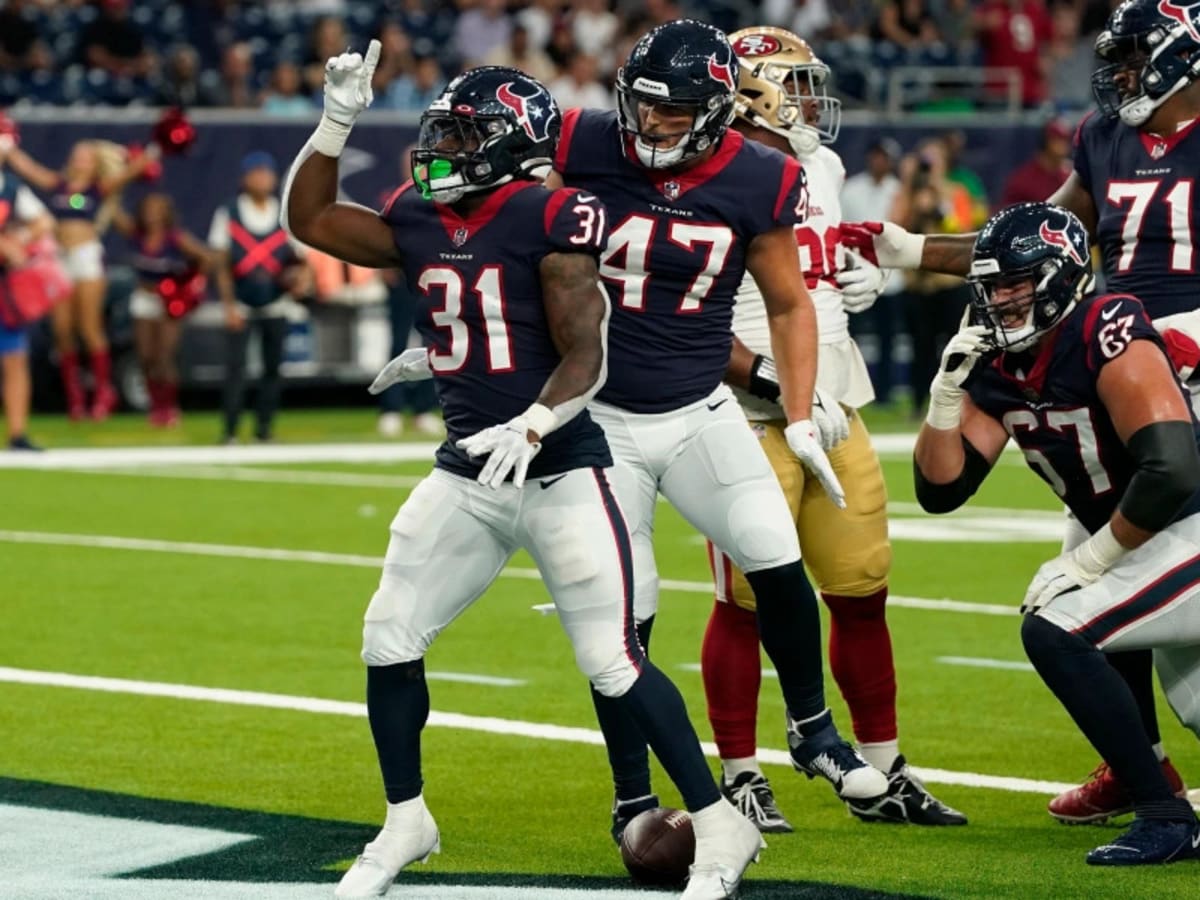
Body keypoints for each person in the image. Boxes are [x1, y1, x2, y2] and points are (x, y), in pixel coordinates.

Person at [281, 47, 764, 900]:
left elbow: (587, 347)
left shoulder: (554, 214)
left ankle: (721, 823)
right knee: (388, 634)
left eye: (463, 134)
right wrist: (334, 121)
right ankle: (406, 820)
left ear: (512, 145)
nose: (441, 149)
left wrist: (536, 418)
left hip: (559, 471)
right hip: (469, 469)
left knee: (612, 661)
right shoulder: (424, 214)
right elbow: (313, 222)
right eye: (442, 130)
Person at [841, 0, 1200, 823]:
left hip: (1181, 358)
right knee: (1096, 545)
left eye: (1139, 57)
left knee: (1124, 555)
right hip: (1117, 360)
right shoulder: (1105, 140)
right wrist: (911, 255)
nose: (1122, 75)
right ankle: (1136, 764)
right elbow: (1038, 243)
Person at [544, 18, 888, 840]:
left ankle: (813, 732)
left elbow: (787, 304)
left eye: (673, 111)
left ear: (717, 108)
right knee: (624, 614)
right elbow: (480, 206)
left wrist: (799, 413)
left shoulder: (760, 175)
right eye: (643, 106)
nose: (651, 124)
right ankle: (633, 795)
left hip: (701, 409)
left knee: (775, 555)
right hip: (605, 418)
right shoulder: (583, 141)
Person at [696, 24, 966, 833]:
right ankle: (740, 774)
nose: (813, 99)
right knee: (745, 601)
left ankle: (883, 769)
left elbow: (821, 264)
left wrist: (860, 277)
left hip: (835, 401)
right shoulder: (707, 172)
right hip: (745, 413)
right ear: (750, 87)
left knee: (862, 590)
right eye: (797, 82)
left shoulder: (823, 163)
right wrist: (769, 376)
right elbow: (687, 310)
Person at [912, 201, 1200, 865]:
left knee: (1058, 626)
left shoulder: (1107, 325)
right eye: (992, 286)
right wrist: (945, 396)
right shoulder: (994, 363)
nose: (1001, 300)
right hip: (1151, 537)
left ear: (1062, 274)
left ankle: (1163, 812)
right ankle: (1146, 785)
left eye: (1016, 283)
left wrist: (1096, 559)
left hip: (1185, 520)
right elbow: (941, 490)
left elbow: (1173, 469)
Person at [1, 138, 152, 420]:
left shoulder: (99, 189)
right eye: (78, 155)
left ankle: (103, 392)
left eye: (87, 157)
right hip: (60, 257)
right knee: (62, 330)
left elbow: (134, 169)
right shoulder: (58, 184)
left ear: (95, 163)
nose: (81, 160)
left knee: (89, 327)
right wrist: (8, 147)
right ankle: (75, 397)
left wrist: (131, 152)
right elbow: (29, 169)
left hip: (86, 256)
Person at [208, 151, 307, 445]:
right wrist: (228, 306)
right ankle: (230, 430)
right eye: (256, 174)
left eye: (266, 173)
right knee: (236, 369)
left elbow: (302, 259)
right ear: (245, 179)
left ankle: (264, 428)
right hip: (241, 303)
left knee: (272, 369)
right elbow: (221, 263)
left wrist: (301, 282)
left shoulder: (283, 212)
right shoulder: (229, 212)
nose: (262, 179)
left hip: (276, 302)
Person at [111, 193, 211, 428]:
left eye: (157, 209)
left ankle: (169, 407)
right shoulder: (136, 235)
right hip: (143, 298)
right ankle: (155, 406)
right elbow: (112, 212)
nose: (151, 214)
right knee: (146, 356)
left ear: (166, 213)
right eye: (147, 209)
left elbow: (206, 258)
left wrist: (191, 285)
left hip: (168, 300)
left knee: (164, 356)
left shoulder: (176, 238)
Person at [0, 159, 56, 450]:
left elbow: (44, 221)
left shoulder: (9, 186)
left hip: (5, 289)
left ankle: (17, 432)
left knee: (15, 359)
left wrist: (19, 239)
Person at [1000, 118, 1073, 207]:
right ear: (1044, 143)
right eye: (1056, 141)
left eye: (1065, 141)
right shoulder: (1024, 180)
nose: (1062, 147)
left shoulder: (1071, 176)